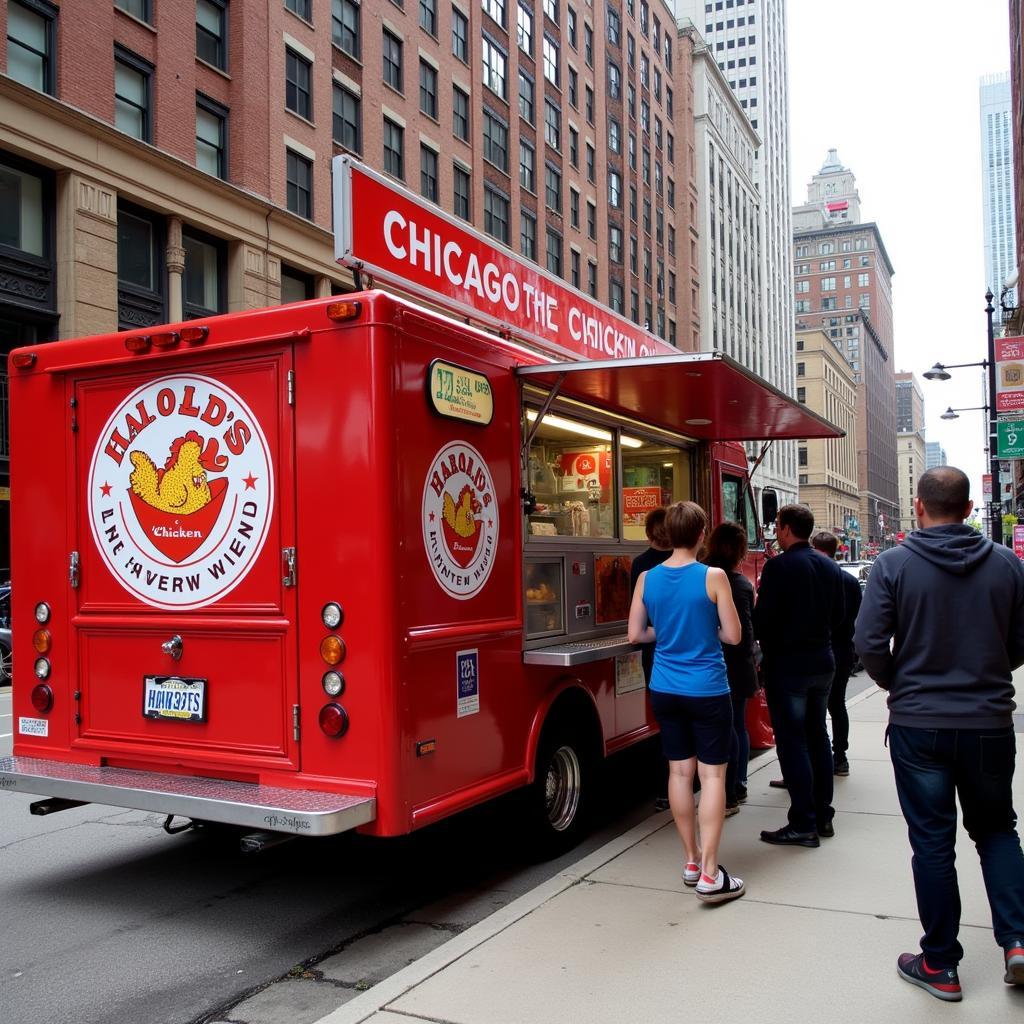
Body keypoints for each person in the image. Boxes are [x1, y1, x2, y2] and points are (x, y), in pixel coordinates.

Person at [855, 467, 1024, 1001]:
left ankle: (941, 965)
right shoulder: (1007, 564)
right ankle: (1017, 943)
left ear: (919, 507)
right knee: (997, 831)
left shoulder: (893, 563)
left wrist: (897, 683)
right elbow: (1018, 643)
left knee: (932, 843)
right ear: (970, 507)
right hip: (989, 723)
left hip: (919, 724)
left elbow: (868, 643)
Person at [628, 501, 745, 904]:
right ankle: (712, 874)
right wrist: (704, 625)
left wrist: (666, 630)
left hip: (664, 687)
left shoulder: (647, 578)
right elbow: (733, 636)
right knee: (712, 778)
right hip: (708, 689)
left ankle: (691, 860)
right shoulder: (713, 576)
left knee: (679, 773)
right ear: (700, 536)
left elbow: (635, 634)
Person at [753, 503, 844, 847]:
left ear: (788, 528)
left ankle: (802, 822)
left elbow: (762, 620)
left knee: (793, 744)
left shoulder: (778, 567)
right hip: (823, 661)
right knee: (818, 736)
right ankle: (823, 815)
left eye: (777, 524)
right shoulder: (829, 566)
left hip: (789, 666)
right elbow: (839, 615)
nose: (776, 530)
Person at [704, 521, 758, 814]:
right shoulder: (740, 585)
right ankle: (737, 785)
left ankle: (728, 790)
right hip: (736, 664)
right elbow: (747, 633)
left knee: (720, 730)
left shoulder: (702, 577)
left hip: (709, 663)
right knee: (737, 725)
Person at [630, 508, 674, 812]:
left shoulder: (641, 566)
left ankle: (664, 789)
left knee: (662, 722)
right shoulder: (687, 564)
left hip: (654, 652)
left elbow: (636, 620)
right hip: (686, 651)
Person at [810, 531, 862, 776]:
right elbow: (857, 620)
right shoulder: (849, 581)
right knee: (836, 704)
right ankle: (839, 757)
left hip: (820, 649)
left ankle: (816, 758)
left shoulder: (814, 577)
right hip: (842, 650)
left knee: (815, 708)